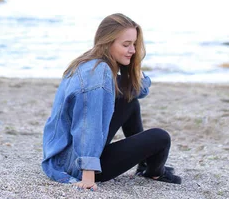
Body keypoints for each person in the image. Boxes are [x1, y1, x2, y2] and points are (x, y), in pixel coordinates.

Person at [41, 13, 181, 191]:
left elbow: (139, 90)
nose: (133, 50)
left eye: (134, 44)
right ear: (108, 42)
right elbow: (87, 124)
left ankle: (144, 164)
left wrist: (132, 68)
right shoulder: (98, 74)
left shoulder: (90, 62)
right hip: (74, 163)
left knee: (129, 102)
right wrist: (88, 175)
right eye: (126, 45)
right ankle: (155, 172)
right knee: (160, 137)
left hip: (62, 155)